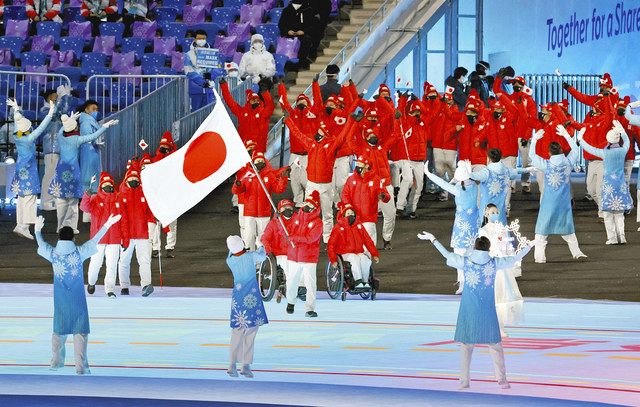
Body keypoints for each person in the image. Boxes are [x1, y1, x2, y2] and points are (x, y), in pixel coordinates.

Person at [417, 231, 536, 390]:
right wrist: (529, 246)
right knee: (495, 346)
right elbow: (514, 259)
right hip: (487, 310)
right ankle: (502, 381)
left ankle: (464, 382)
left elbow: (446, 254)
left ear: (475, 247)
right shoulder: (494, 263)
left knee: (466, 347)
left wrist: (433, 239)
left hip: (469, 309)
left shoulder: (465, 262)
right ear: (489, 248)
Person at [35, 213, 122, 375]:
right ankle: (81, 367)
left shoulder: (54, 255)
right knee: (80, 333)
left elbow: (42, 245)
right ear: (73, 239)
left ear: (59, 238)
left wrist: (37, 231)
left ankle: (56, 363)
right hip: (78, 301)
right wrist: (107, 224)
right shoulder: (79, 253)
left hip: (61, 301)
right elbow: (95, 240)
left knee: (59, 332)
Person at [49, 113, 118, 234]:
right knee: (73, 201)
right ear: (74, 128)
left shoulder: (61, 137)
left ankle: (60, 226)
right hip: (73, 171)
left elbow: (61, 130)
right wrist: (105, 126)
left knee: (61, 200)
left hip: (61, 170)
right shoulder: (77, 139)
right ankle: (71, 227)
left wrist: (69, 120)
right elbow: (93, 136)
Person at [529, 127, 587, 262]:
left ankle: (540, 257)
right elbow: (575, 150)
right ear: (561, 150)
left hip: (548, 203)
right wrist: (566, 135)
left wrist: (535, 140)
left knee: (542, 231)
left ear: (549, 153)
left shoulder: (546, 165)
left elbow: (532, 155)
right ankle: (577, 252)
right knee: (567, 228)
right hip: (563, 202)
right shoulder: (568, 162)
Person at [286, 118, 348, 244]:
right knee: (307, 213)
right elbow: (297, 134)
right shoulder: (312, 144)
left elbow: (343, 136)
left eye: (320, 131)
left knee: (327, 214)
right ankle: (306, 236)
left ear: (325, 134)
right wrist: (288, 120)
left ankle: (328, 240)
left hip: (325, 186)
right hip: (311, 184)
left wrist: (352, 121)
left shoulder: (331, 146)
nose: (317, 133)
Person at [425, 160, 478, 294]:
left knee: (459, 257)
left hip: (461, 228)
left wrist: (428, 174)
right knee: (472, 256)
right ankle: (473, 281)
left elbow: (442, 183)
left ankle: (462, 283)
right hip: (474, 226)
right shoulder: (475, 186)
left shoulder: (458, 190)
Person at [578, 121, 633, 244]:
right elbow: (628, 142)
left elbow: (590, 148)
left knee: (608, 214)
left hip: (609, 185)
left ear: (608, 139)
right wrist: (622, 131)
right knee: (619, 213)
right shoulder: (623, 150)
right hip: (621, 185)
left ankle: (612, 238)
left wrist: (580, 139)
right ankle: (622, 236)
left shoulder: (605, 152)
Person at [8, 98, 55, 239]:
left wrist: (16, 109)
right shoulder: (28, 139)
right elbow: (42, 127)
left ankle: (20, 224)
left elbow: (17, 122)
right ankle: (24, 226)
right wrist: (50, 113)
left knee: (22, 198)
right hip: (28, 171)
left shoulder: (17, 135)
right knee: (30, 198)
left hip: (20, 169)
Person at [225, 235, 268, 378]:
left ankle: (232, 364)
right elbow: (262, 256)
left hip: (238, 299)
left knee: (237, 331)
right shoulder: (251, 256)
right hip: (252, 298)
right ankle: (246, 365)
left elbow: (233, 251)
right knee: (251, 331)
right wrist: (260, 244)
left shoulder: (230, 260)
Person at [479, 204, 524, 337]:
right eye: (492, 212)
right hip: (492, 266)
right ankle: (492, 326)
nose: (495, 214)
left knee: (504, 296)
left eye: (497, 212)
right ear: (486, 214)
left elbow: (508, 246)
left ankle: (500, 326)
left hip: (503, 266)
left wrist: (513, 259)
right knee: (495, 296)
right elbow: (485, 249)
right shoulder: (483, 230)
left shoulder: (502, 229)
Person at [231, 152, 289, 250]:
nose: (260, 162)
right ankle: (250, 255)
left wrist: (283, 178)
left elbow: (278, 189)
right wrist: (237, 184)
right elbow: (236, 191)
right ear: (253, 162)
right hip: (249, 213)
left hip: (264, 213)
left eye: (262, 160)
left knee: (263, 237)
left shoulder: (269, 175)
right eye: (258, 161)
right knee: (249, 236)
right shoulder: (247, 175)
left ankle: (263, 256)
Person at [80, 172, 124, 298]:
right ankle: (91, 282)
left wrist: (124, 238)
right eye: (105, 185)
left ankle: (110, 289)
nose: (107, 186)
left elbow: (123, 220)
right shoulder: (95, 199)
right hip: (98, 239)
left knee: (112, 265)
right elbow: (84, 207)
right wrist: (87, 195)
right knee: (96, 263)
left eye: (109, 184)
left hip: (114, 239)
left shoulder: (118, 200)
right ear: (101, 186)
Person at [494, 72, 537, 193]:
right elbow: (496, 90)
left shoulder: (529, 100)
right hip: (511, 135)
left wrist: (526, 135)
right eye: (514, 83)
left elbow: (532, 119)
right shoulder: (509, 98)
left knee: (526, 161)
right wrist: (499, 78)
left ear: (523, 85)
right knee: (511, 161)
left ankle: (525, 183)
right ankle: (511, 185)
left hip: (523, 135)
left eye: (518, 83)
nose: (516, 85)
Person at [117, 162, 155, 297]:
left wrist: (154, 226)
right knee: (124, 261)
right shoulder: (120, 196)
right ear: (126, 180)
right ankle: (124, 286)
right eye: (131, 178)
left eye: (136, 179)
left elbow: (150, 214)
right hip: (126, 236)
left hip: (142, 234)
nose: (134, 180)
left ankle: (146, 285)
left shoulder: (145, 194)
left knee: (144, 261)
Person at [277, 82, 317, 207]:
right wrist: (281, 87)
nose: (301, 103)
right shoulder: (292, 114)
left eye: (303, 101)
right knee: (294, 177)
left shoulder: (313, 115)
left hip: (308, 154)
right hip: (295, 154)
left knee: (306, 179)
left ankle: (310, 200)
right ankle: (298, 201)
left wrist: (315, 85)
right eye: (299, 101)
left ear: (308, 103)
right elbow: (283, 103)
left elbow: (318, 103)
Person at [285, 190, 322, 318]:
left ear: (315, 207)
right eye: (306, 203)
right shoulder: (296, 217)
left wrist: (294, 238)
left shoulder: (318, 222)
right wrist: (279, 218)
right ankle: (290, 302)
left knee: (310, 284)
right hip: (294, 256)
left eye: (310, 204)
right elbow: (287, 230)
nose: (307, 206)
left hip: (308, 258)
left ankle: (310, 308)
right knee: (292, 281)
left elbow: (311, 238)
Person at [341, 155, 391, 248]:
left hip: (368, 218)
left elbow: (387, 197)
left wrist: (383, 196)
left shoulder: (376, 179)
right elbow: (344, 194)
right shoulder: (351, 179)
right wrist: (348, 206)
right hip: (354, 218)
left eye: (360, 164)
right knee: (354, 245)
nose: (357, 165)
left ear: (367, 166)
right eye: (357, 163)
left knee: (369, 245)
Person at [470, 148, 531, 223]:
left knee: (486, 227)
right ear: (501, 157)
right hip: (500, 210)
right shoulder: (506, 171)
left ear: (488, 158)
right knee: (501, 227)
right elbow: (517, 171)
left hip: (486, 209)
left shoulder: (486, 173)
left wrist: (465, 171)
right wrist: (527, 169)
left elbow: (472, 176)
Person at [327, 202, 379, 289]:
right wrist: (333, 259)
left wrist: (374, 254)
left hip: (358, 252)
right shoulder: (338, 227)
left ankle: (365, 281)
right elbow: (331, 244)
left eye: (352, 213)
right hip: (344, 253)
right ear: (343, 215)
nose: (350, 215)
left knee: (365, 259)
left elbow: (368, 241)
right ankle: (358, 281)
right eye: (348, 213)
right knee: (354, 258)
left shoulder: (359, 226)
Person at [395, 99, 430, 219]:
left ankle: (411, 209)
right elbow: (401, 111)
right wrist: (403, 100)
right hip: (408, 158)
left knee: (419, 186)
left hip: (420, 160)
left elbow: (429, 114)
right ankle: (399, 207)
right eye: (414, 111)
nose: (417, 113)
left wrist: (418, 102)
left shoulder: (423, 123)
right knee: (408, 180)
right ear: (409, 112)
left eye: (418, 112)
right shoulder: (405, 122)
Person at [39, 86, 72, 211]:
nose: (57, 98)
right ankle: (45, 202)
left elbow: (65, 112)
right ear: (49, 98)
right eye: (55, 96)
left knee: (56, 175)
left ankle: (53, 199)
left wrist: (66, 97)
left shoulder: (57, 110)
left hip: (59, 146)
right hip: (51, 146)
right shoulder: (44, 110)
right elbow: (52, 114)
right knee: (49, 175)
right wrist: (60, 100)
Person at [221, 79, 275, 154]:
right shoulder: (242, 112)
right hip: (243, 147)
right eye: (253, 100)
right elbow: (230, 102)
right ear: (249, 101)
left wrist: (265, 93)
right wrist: (224, 86)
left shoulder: (263, 113)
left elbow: (270, 106)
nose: (255, 101)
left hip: (258, 148)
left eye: (257, 100)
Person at [149, 132, 178, 259]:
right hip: (158, 196)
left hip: (171, 196)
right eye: (162, 146)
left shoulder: (175, 158)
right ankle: (155, 248)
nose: (164, 148)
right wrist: (161, 154)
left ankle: (170, 247)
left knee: (172, 224)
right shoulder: (156, 158)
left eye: (166, 146)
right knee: (156, 223)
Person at [261, 199, 295, 301]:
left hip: (293, 253)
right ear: (279, 210)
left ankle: (292, 288)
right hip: (279, 253)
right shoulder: (273, 223)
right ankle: (288, 289)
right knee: (287, 266)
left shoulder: (297, 221)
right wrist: (269, 251)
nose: (288, 209)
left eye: (289, 207)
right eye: (285, 208)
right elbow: (264, 238)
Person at [278, 0, 318, 67]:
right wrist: (288, 31)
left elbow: (312, 25)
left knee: (306, 40)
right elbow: (281, 24)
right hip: (289, 36)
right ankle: (288, 63)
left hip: (303, 35)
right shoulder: (286, 10)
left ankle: (301, 61)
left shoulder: (308, 10)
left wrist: (304, 31)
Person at [79, 101, 104, 202]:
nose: (95, 111)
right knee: (88, 173)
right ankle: (87, 199)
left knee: (93, 172)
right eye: (93, 109)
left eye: (97, 109)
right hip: (88, 150)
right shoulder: (86, 122)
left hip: (93, 150)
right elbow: (88, 137)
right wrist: (96, 140)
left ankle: (92, 197)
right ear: (86, 110)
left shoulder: (92, 122)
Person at [184, 30, 215, 111]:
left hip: (209, 89)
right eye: (199, 38)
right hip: (196, 89)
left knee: (209, 112)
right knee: (196, 112)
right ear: (195, 39)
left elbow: (218, 68)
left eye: (203, 38)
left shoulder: (212, 53)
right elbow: (188, 71)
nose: (201, 40)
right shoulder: (188, 54)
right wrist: (202, 82)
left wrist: (211, 75)